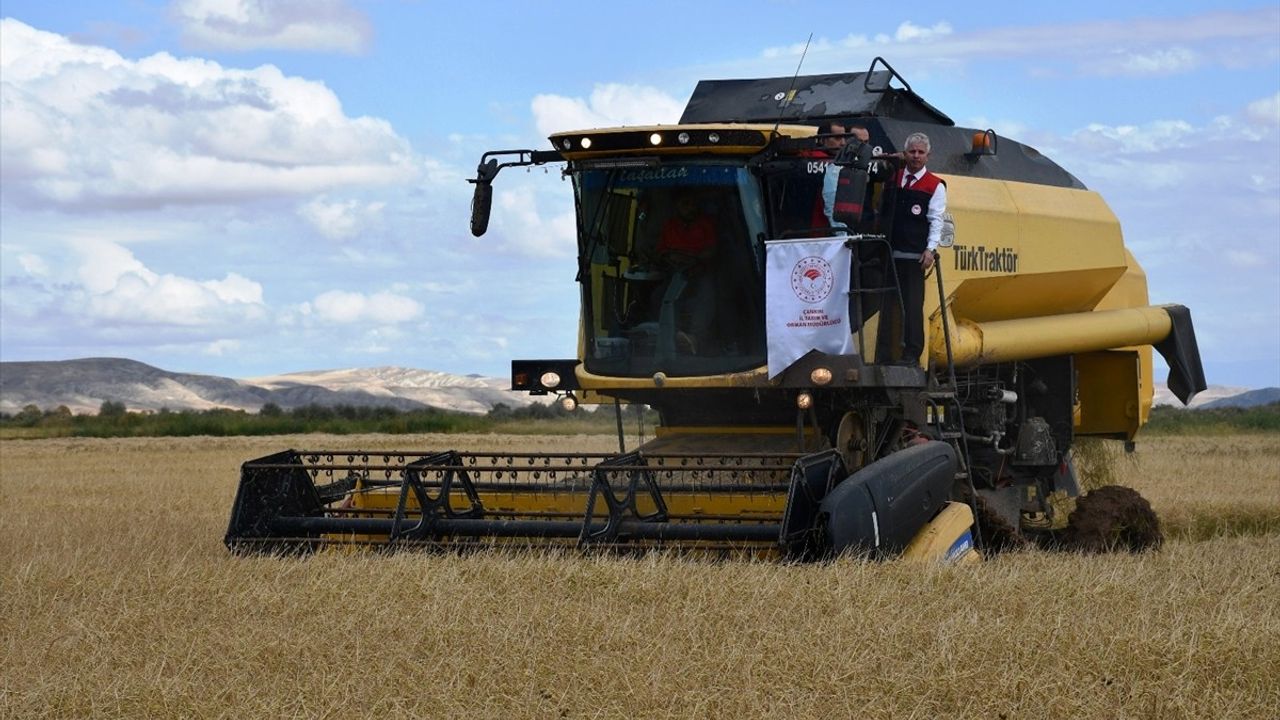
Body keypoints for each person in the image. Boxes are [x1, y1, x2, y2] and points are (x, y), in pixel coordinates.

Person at [876, 132, 947, 366]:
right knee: (884, 306)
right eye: (912, 152)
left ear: (928, 156)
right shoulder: (893, 178)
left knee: (913, 306)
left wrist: (930, 249)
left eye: (920, 152)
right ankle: (883, 353)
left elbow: (936, 220)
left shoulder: (935, 186)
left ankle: (912, 354)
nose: (916, 156)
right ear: (905, 153)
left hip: (914, 255)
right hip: (889, 252)